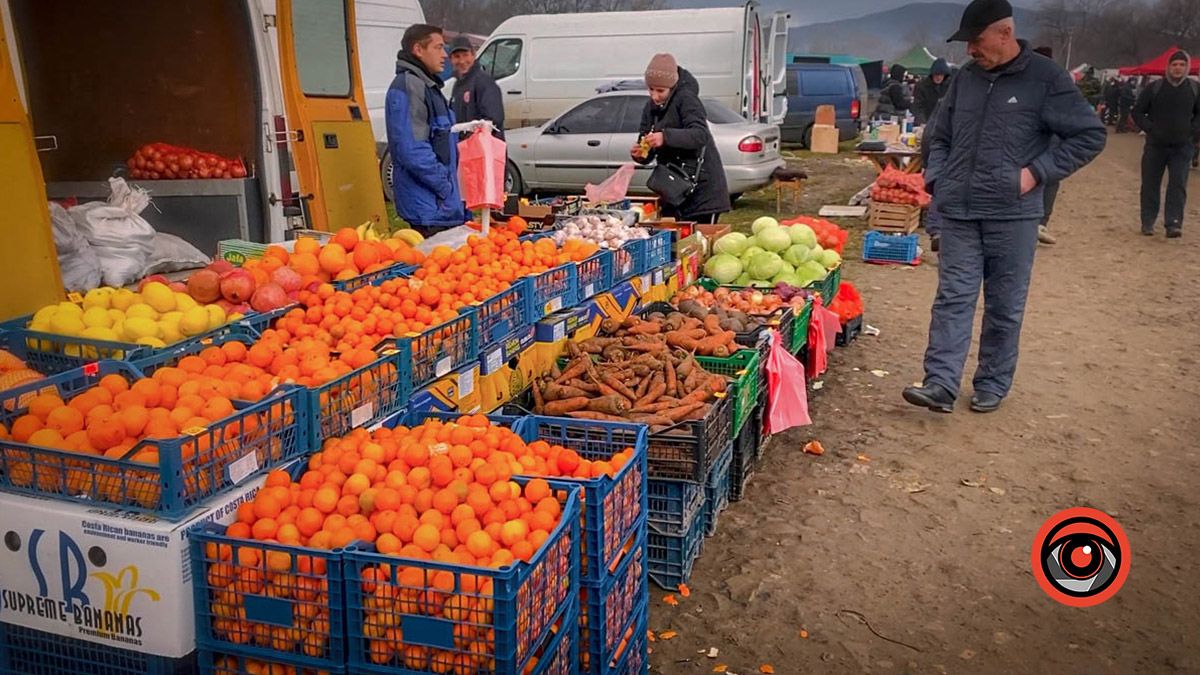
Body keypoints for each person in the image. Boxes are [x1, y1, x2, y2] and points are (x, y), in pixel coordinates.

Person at [902, 0, 1105, 414]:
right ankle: (940, 383)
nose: (971, 50)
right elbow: (938, 136)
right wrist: (939, 177)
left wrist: (1036, 172)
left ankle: (992, 382)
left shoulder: (1046, 78)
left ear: (1004, 33)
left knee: (1004, 303)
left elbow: (1089, 135)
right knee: (953, 297)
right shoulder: (965, 80)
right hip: (959, 208)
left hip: (1013, 214)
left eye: (976, 41)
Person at [385, 23, 466, 235]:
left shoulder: (428, 87)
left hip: (439, 206)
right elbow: (412, 150)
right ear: (418, 50)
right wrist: (445, 187)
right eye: (438, 47)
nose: (445, 55)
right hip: (429, 207)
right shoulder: (410, 87)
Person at [630, 53, 730, 224]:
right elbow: (646, 142)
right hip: (672, 190)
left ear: (673, 85)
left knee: (700, 243)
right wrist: (641, 154)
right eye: (650, 89)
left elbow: (700, 135)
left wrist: (665, 137)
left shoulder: (687, 99)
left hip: (701, 191)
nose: (654, 96)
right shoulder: (650, 107)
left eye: (660, 91)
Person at [1132, 50, 1200, 238]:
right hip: (1155, 145)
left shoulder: (1194, 89)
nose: (1177, 68)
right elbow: (1137, 112)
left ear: (1187, 67)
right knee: (1150, 184)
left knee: (1178, 185)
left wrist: (1192, 132)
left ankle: (1173, 223)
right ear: (1168, 67)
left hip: (1182, 147)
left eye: (1181, 65)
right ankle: (1148, 221)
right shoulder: (1155, 88)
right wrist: (1151, 129)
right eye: (1174, 64)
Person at [448, 35, 505, 140]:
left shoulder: (484, 82)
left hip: (484, 151)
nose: (462, 61)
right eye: (457, 56)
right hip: (466, 149)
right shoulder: (458, 85)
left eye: (465, 55)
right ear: (451, 59)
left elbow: (493, 120)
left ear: (473, 55)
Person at [913, 58, 952, 125]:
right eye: (936, 74)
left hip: (943, 124)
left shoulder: (949, 87)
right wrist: (922, 122)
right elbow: (917, 106)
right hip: (926, 120)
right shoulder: (922, 86)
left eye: (941, 75)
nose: (938, 77)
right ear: (932, 74)